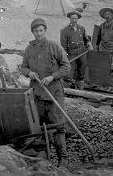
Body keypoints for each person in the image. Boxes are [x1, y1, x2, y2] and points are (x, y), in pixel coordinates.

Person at [21, 18, 70, 167]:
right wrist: (29, 73)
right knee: (38, 125)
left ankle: (63, 159)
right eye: (36, 31)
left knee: (57, 125)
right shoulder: (29, 48)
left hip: (54, 92)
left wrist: (52, 76)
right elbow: (23, 67)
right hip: (37, 93)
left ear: (45, 31)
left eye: (41, 30)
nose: (38, 33)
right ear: (33, 32)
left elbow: (66, 67)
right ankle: (43, 157)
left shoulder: (54, 46)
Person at [60, 10, 93, 89]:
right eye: (72, 18)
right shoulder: (65, 30)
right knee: (69, 71)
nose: (74, 20)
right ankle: (67, 89)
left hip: (81, 52)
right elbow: (63, 44)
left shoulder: (81, 28)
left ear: (78, 19)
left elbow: (86, 39)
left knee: (82, 70)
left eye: (75, 18)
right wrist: (65, 53)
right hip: (71, 53)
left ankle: (79, 89)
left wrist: (89, 44)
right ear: (69, 19)